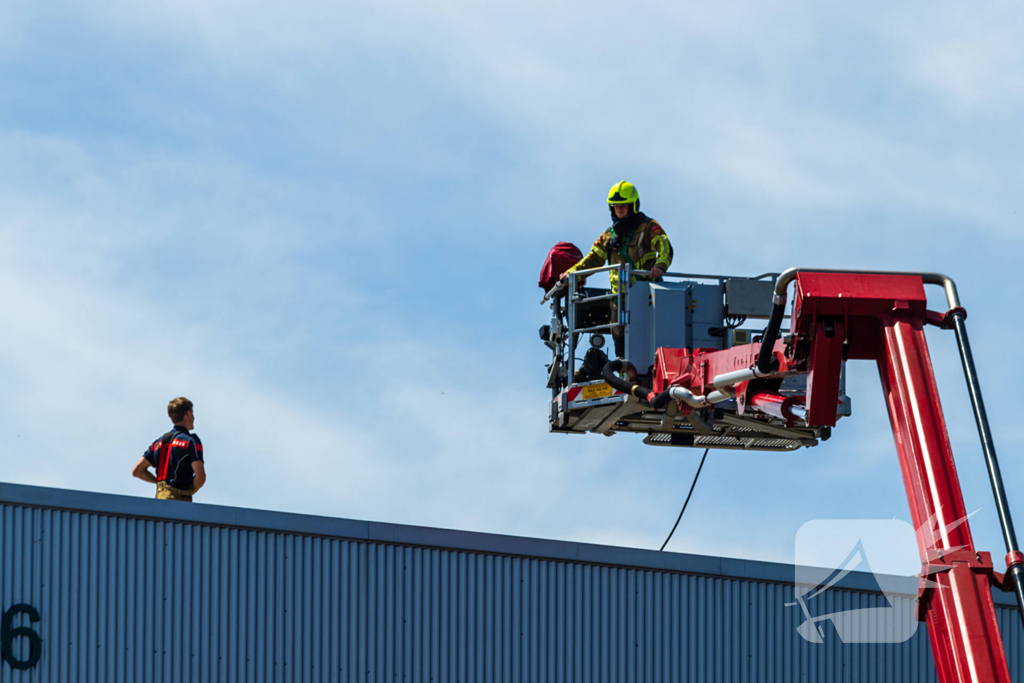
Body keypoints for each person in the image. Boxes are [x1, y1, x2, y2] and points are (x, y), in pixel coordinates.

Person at [561, 181, 673, 357]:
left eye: (623, 206)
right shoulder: (609, 235)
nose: (619, 210)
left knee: (648, 341)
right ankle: (625, 377)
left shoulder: (648, 227)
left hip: (644, 296)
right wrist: (572, 274)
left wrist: (660, 265)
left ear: (633, 206)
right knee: (621, 347)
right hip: (618, 300)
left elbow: (664, 247)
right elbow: (593, 258)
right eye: (615, 206)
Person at [132, 397, 206, 502]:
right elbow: (200, 478)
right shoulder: (191, 441)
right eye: (193, 413)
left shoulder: (158, 443)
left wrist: (159, 483)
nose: (194, 418)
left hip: (159, 501)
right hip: (180, 502)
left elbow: (137, 471)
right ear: (188, 414)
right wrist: (189, 491)